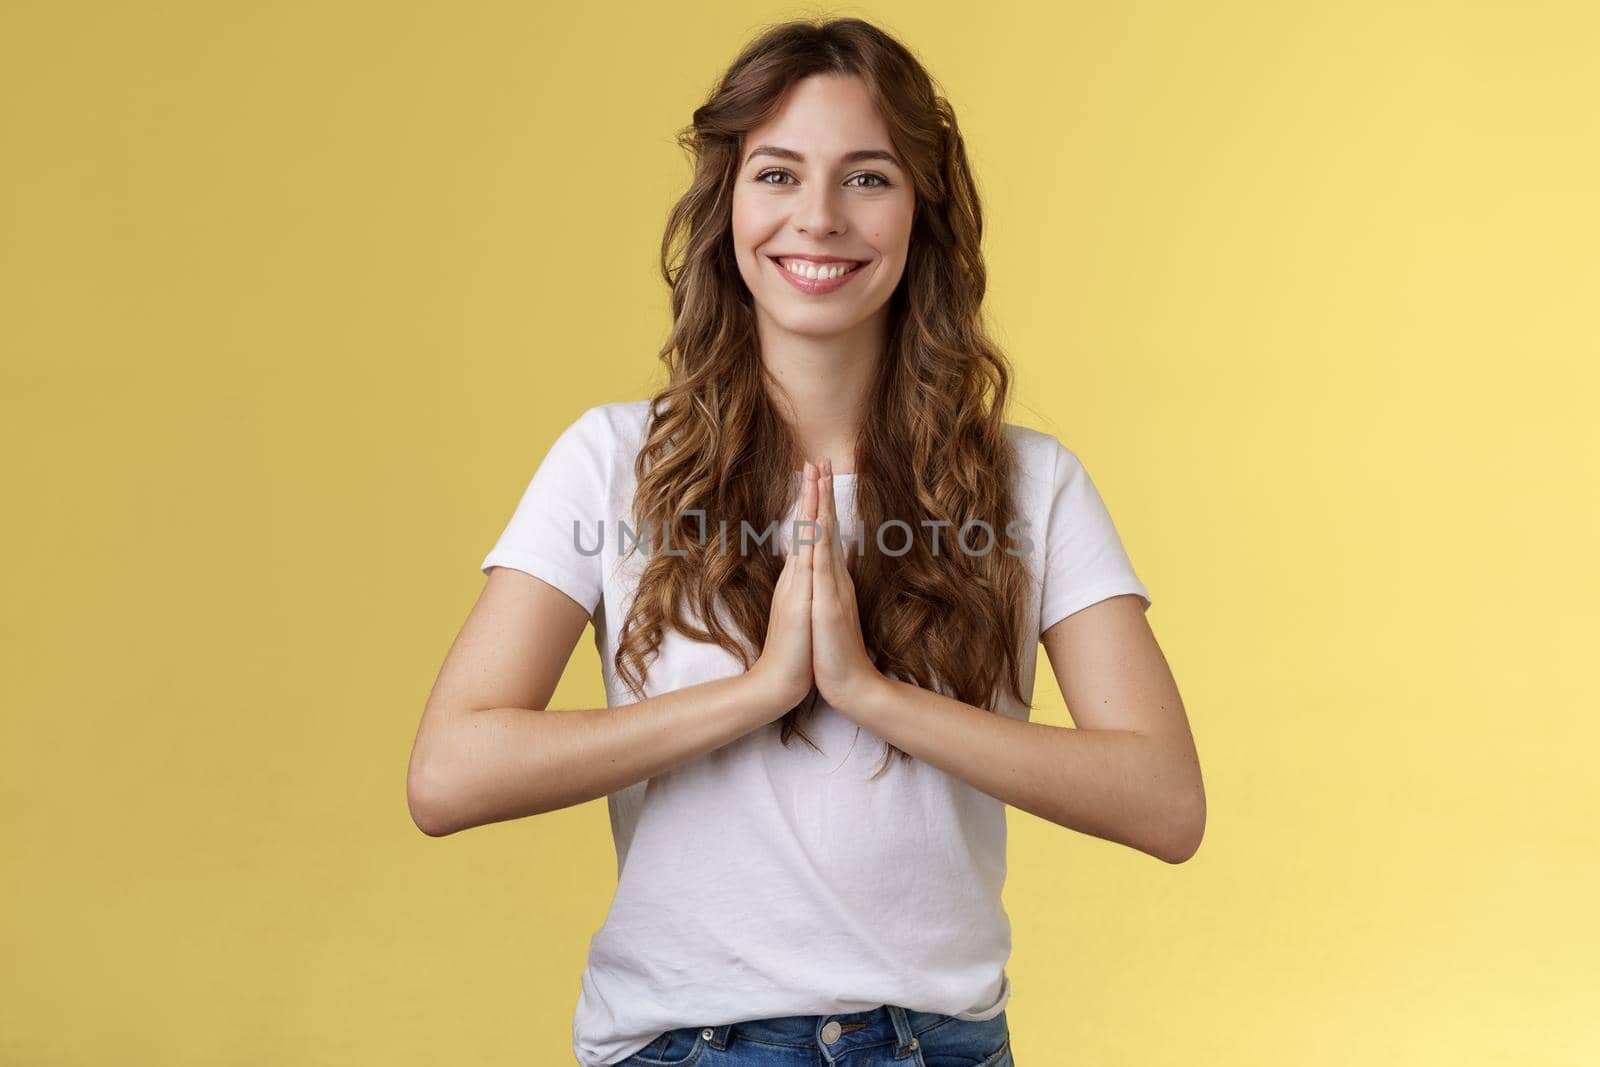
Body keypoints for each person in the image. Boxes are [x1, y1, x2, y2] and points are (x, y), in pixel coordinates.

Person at [407, 17, 1204, 1067]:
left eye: (866, 178)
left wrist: (872, 693)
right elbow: (449, 773)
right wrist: (759, 689)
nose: (818, 219)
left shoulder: (1029, 482)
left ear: (923, 212)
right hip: (686, 1044)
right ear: (727, 205)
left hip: (941, 1045)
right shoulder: (610, 460)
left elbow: (1164, 800)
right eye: (777, 174)